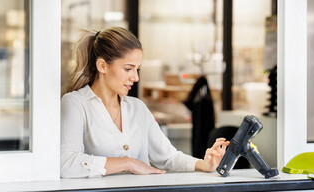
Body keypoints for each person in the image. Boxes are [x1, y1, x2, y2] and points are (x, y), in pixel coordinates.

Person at [60, 27, 229, 178]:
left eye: (137, 69)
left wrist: (204, 164)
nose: (135, 78)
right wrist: (128, 163)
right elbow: (66, 163)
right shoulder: (75, 104)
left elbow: (168, 157)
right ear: (102, 66)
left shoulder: (137, 107)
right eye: (128, 69)